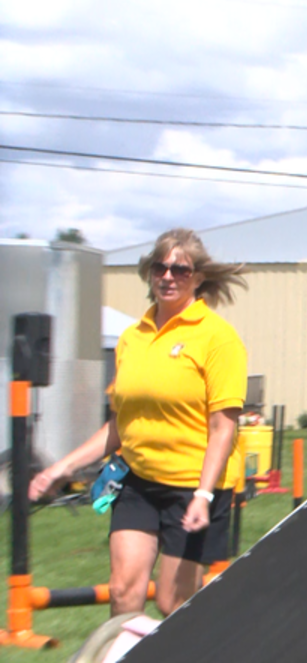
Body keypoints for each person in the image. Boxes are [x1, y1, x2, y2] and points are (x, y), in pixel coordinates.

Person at [29, 228, 248, 617]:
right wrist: (61, 468)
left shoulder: (218, 339)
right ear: (150, 273)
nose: (168, 276)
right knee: (123, 592)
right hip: (138, 482)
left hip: (193, 486)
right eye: (160, 267)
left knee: (172, 604)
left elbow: (223, 428)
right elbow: (119, 425)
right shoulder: (133, 337)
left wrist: (204, 494)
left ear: (198, 278)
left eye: (180, 270)